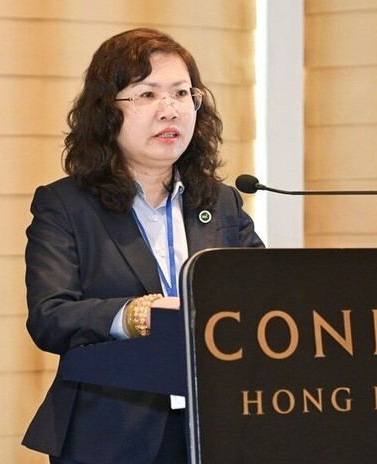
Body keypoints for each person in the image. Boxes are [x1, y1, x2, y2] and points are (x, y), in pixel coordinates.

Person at [22, 28, 264, 464]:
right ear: (106, 112)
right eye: (147, 94)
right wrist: (135, 315)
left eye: (181, 93)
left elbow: (263, 297)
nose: (169, 109)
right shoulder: (65, 205)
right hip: (111, 434)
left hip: (218, 429)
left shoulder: (220, 200)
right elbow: (50, 316)